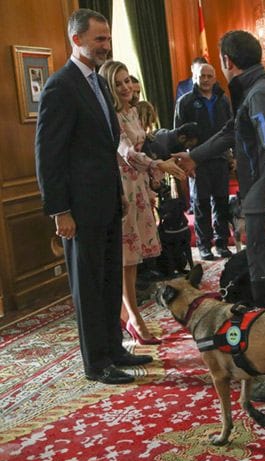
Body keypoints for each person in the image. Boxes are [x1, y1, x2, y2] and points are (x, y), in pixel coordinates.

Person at [174, 30, 265, 402]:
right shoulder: (251, 92)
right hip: (264, 202)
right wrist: (195, 156)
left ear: (228, 62)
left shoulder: (260, 94)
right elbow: (232, 133)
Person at [34, 9, 152, 384]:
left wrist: (118, 191)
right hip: (79, 209)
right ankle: (97, 362)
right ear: (76, 40)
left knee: (107, 280)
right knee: (87, 285)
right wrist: (59, 211)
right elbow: (48, 155)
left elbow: (106, 148)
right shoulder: (60, 86)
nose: (106, 45)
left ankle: (114, 348)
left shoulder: (100, 84)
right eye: (98, 39)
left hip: (108, 202)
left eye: (107, 38)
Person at [100, 60, 186, 345]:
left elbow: (142, 150)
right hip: (121, 189)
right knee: (125, 257)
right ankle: (133, 317)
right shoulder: (111, 116)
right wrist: (158, 163)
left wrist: (153, 180)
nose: (126, 87)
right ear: (109, 88)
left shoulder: (134, 111)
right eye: (119, 83)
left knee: (133, 259)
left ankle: (128, 313)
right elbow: (127, 152)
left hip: (137, 187)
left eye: (127, 81)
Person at [174, 63, 233, 260]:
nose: (206, 80)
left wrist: (232, 156)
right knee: (201, 205)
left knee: (222, 203)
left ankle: (223, 243)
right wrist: (184, 163)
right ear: (195, 77)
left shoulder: (223, 100)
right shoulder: (185, 102)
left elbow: (231, 130)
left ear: (215, 78)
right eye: (202, 76)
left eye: (210, 76)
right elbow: (178, 136)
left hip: (220, 159)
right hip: (196, 162)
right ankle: (204, 245)